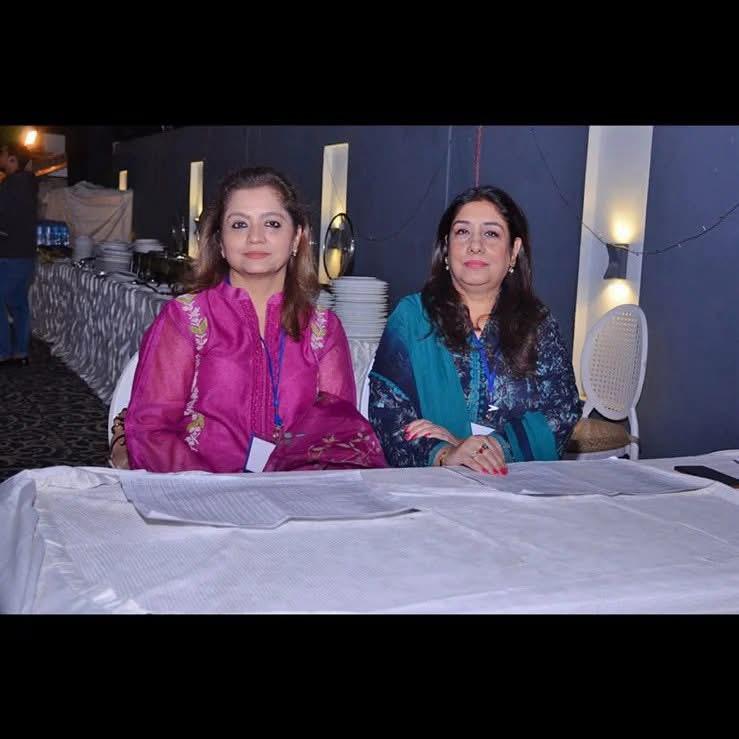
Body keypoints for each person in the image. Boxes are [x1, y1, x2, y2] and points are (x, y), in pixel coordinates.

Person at [121, 166, 386, 473]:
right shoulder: (185, 319)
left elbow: (338, 439)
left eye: (272, 224)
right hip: (199, 489)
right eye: (239, 224)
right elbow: (150, 430)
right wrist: (210, 490)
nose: (255, 237)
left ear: (297, 237)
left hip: (295, 493)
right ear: (220, 242)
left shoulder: (323, 329)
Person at [368, 185, 581, 474]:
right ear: (446, 248)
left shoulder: (537, 324)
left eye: (491, 233)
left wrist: (484, 450)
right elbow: (387, 414)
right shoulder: (411, 319)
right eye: (462, 232)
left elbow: (562, 412)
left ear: (514, 251)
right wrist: (446, 453)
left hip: (519, 486)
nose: (475, 245)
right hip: (434, 485)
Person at [0, 142, 38, 367]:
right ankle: (20, 352)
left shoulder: (11, 185)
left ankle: (3, 351)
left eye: (3, 154)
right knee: (18, 304)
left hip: (9, 253)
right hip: (26, 254)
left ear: (12, 159)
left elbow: (4, 217)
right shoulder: (30, 184)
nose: (0, 157)